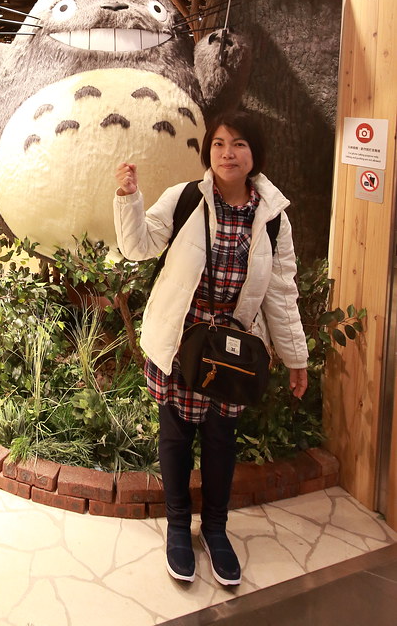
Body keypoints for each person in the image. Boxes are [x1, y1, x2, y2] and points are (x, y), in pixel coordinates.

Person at [114, 111, 308, 587]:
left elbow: (282, 293)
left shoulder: (272, 219)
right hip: (181, 344)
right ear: (208, 152)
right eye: (219, 143)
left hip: (233, 353)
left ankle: (216, 530)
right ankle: (179, 527)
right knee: (176, 438)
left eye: (239, 144)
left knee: (221, 440)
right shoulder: (185, 199)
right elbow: (137, 246)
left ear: (255, 154)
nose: (227, 153)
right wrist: (128, 198)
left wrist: (296, 358)